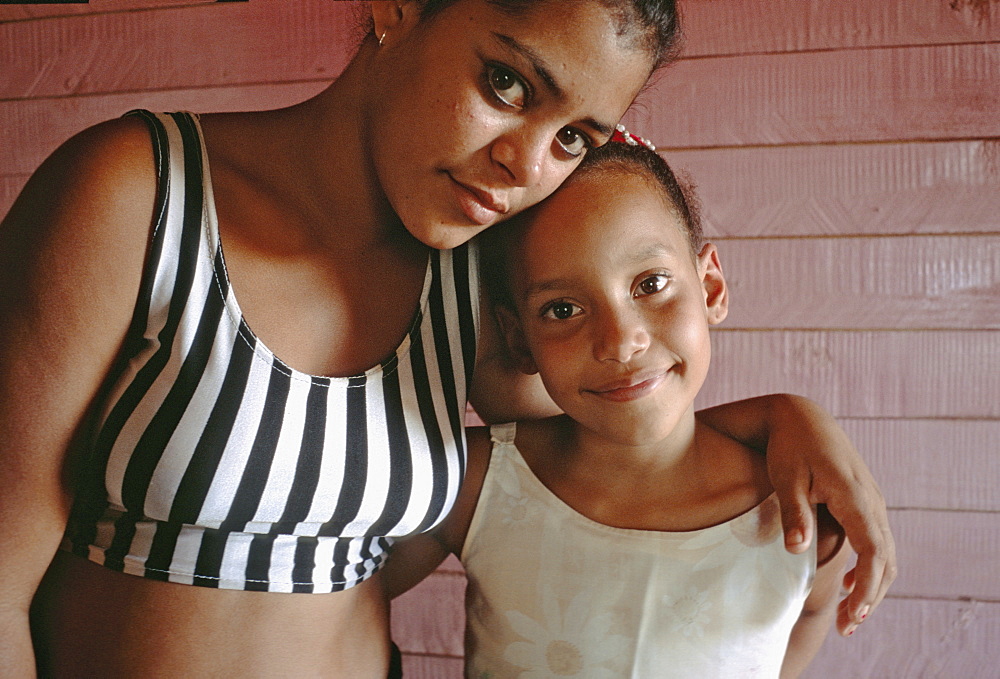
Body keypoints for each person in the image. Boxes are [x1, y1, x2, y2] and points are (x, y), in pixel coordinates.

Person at [0, 1, 892, 676]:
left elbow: (619, 414)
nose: (525, 165)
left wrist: (783, 418)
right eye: (508, 84)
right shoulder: (135, 196)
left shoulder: (470, 276)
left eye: (573, 137)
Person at [385, 135, 851, 677]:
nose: (619, 340)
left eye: (651, 284)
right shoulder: (477, 482)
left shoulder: (799, 510)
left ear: (711, 287)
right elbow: (332, 595)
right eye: (563, 309)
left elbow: (811, 613)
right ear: (518, 340)